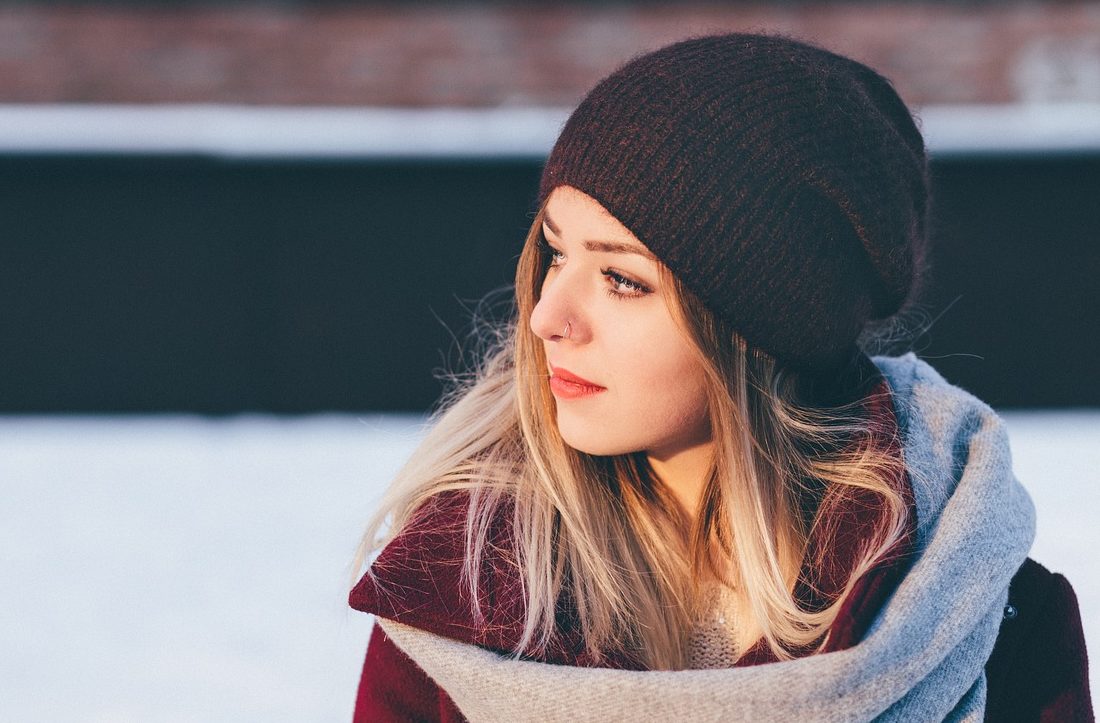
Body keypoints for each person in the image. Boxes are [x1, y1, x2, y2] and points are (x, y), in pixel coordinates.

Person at [348, 32, 1092, 722]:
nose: (547, 316)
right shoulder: (463, 603)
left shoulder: (987, 620)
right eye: (554, 253)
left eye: (622, 279)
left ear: (759, 330)